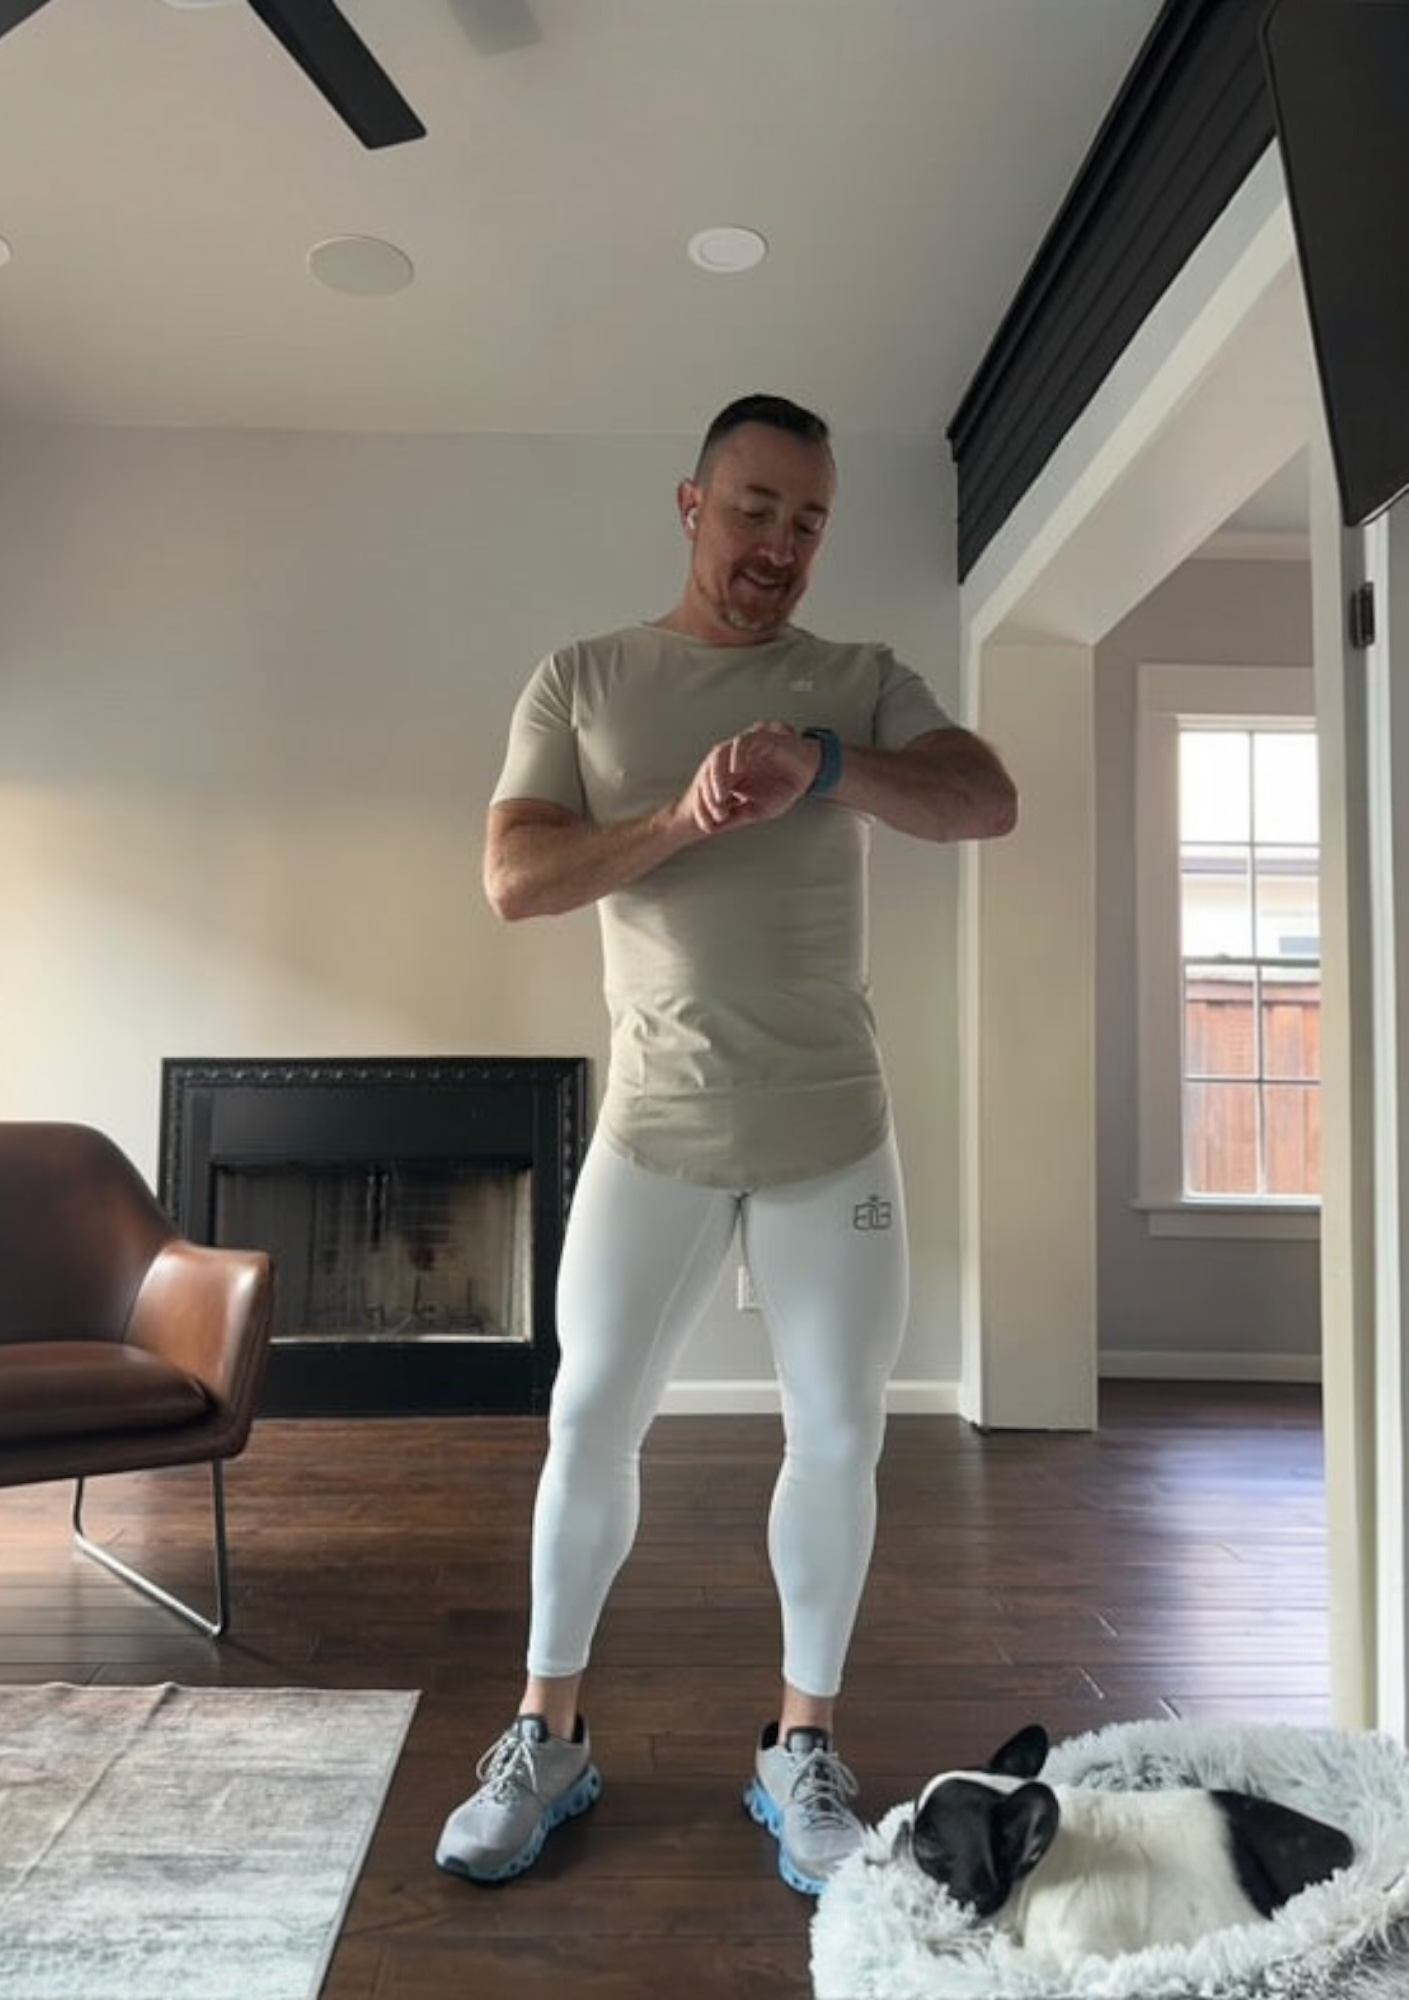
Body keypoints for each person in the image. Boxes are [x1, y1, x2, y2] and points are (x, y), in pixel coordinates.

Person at [434, 393, 1018, 1896]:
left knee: (840, 1433)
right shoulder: (586, 676)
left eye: (808, 521)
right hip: (657, 1128)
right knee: (590, 1420)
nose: (780, 544)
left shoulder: (858, 682)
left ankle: (801, 1747)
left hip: (834, 1133)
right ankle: (546, 1735)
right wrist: (681, 819)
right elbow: (515, 878)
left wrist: (827, 766)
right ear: (692, 505)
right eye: (754, 509)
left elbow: (984, 799)